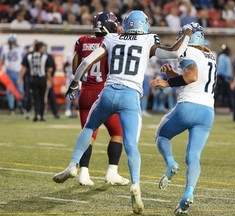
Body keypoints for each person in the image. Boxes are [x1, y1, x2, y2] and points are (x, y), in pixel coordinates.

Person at [52, 10, 192, 214]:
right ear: (144, 25)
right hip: (130, 97)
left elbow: (84, 63)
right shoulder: (147, 40)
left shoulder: (112, 38)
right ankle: (135, 183)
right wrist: (187, 34)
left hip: (107, 93)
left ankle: (73, 164)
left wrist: (74, 84)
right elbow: (174, 53)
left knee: (89, 127)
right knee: (131, 145)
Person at [150, 22, 216, 215]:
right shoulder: (211, 56)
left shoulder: (187, 51)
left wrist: (166, 81)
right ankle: (189, 193)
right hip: (207, 112)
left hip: (188, 107)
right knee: (193, 157)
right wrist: (172, 73)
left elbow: (192, 77)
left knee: (161, 135)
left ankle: (171, 164)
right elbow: (193, 77)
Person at [70, 11, 129, 186]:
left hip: (85, 93)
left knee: (89, 134)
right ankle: (112, 172)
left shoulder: (82, 42)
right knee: (117, 133)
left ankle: (84, 173)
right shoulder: (111, 42)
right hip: (103, 93)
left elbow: (76, 70)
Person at [18, 41, 53, 122]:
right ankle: (42, 115)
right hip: (42, 79)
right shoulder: (44, 56)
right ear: (40, 48)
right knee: (43, 97)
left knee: (35, 97)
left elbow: (23, 68)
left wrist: (20, 78)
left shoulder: (29, 55)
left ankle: (36, 114)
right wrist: (50, 80)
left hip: (32, 79)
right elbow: (48, 70)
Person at [0, 34, 25, 115]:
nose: (11, 43)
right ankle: (11, 108)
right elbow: (2, 60)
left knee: (20, 90)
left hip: (18, 72)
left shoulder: (20, 48)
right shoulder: (4, 48)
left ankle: (20, 106)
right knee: (10, 91)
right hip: (9, 72)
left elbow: (24, 61)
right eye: (10, 41)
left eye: (13, 41)